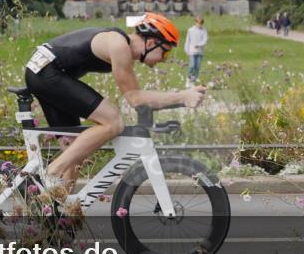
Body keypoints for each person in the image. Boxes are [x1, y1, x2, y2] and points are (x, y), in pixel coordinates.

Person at [24, 12, 205, 197]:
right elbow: (135, 98)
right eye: (165, 51)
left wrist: (173, 103)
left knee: (75, 151)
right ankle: (52, 172)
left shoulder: (121, 46)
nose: (164, 59)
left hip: (45, 71)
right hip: (46, 73)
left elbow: (139, 101)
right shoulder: (119, 46)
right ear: (151, 43)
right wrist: (182, 97)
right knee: (113, 122)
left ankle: (59, 207)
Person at [185, 16, 208, 86]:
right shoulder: (190, 30)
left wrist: (199, 45)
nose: (199, 25)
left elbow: (205, 40)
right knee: (192, 65)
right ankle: (188, 79)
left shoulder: (204, 30)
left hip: (200, 52)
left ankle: (193, 81)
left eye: (201, 23)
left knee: (197, 67)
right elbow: (188, 40)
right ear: (195, 22)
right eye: (198, 23)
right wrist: (186, 49)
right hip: (192, 51)